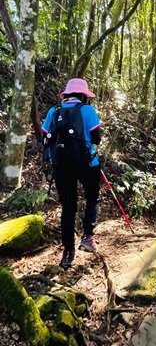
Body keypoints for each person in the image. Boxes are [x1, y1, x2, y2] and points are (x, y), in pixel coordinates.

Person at [41, 78, 102, 269]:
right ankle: (87, 237)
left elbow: (45, 137)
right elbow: (96, 139)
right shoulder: (88, 111)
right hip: (88, 164)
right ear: (84, 95)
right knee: (92, 197)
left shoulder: (54, 111)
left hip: (62, 165)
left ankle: (68, 251)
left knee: (68, 208)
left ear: (66, 95)